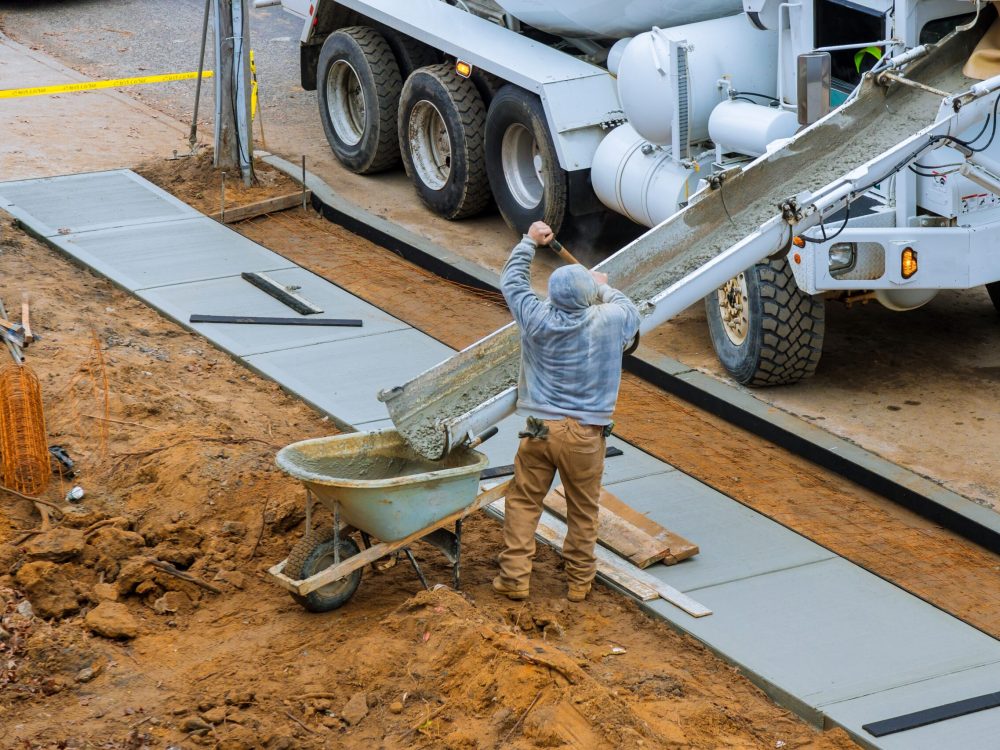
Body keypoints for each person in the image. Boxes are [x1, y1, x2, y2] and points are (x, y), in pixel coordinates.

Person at [493, 221, 641, 602]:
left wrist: (529, 241)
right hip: (586, 438)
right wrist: (600, 284)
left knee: (524, 502)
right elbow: (629, 308)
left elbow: (512, 282)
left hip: (540, 431)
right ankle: (578, 583)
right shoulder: (609, 320)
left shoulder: (537, 319)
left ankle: (514, 579)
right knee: (583, 511)